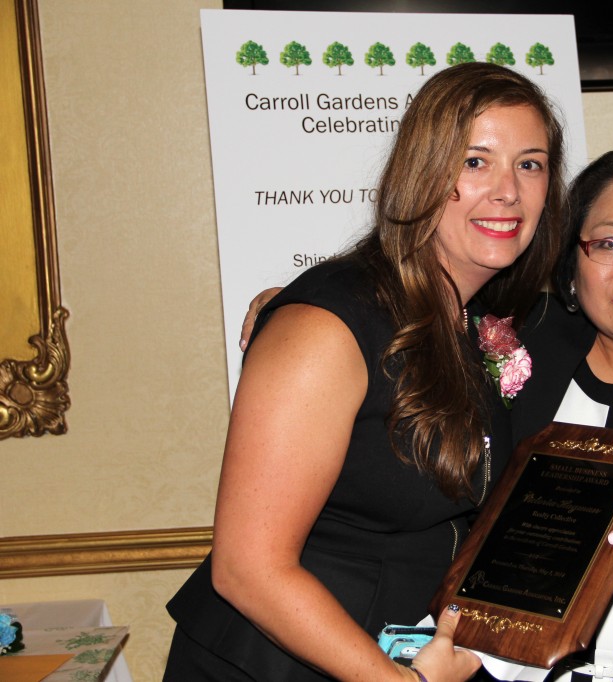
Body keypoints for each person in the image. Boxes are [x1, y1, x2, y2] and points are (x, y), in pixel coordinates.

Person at [239, 143, 613, 681]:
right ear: (570, 259)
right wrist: (293, 307)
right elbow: (388, 314)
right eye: (609, 243)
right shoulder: (514, 340)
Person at [164, 62, 567, 682]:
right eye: (474, 161)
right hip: (284, 665)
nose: (508, 190)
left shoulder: (469, 319)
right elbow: (248, 567)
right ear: (422, 172)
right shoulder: (327, 327)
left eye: (530, 164)